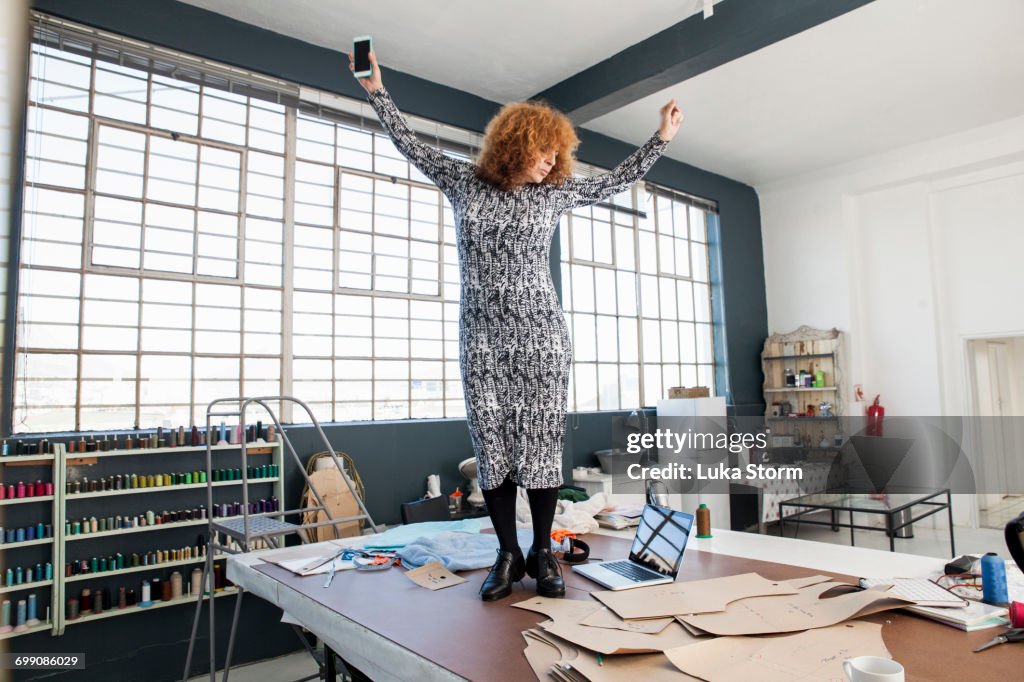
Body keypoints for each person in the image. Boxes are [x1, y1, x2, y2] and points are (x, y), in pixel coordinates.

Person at [350, 50, 682, 601]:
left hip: (542, 337)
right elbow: (407, 143)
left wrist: (661, 137)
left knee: (542, 448)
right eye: (543, 152)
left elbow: (617, 181)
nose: (552, 162)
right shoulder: (463, 181)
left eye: (559, 154)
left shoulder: (555, 194)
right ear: (516, 145)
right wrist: (376, 90)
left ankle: (543, 551)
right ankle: (508, 553)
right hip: (480, 338)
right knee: (494, 448)